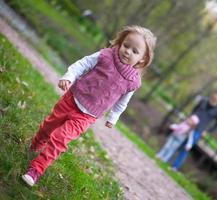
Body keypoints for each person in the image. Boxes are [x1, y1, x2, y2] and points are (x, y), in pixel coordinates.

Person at [21, 25, 157, 186]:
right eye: (126, 45)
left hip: (87, 115)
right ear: (121, 43)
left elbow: (122, 102)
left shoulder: (133, 82)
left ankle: (36, 169)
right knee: (49, 126)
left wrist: (113, 118)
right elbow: (82, 64)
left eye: (135, 51)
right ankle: (35, 145)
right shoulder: (106, 55)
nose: (128, 51)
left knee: (60, 138)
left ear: (142, 59)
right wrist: (69, 77)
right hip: (72, 99)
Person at [172, 90, 217, 170]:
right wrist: (190, 118)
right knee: (177, 141)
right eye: (216, 94)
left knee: (186, 147)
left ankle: (175, 166)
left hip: (198, 131)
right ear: (213, 94)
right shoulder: (203, 101)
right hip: (189, 125)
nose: (216, 97)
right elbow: (194, 110)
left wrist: (207, 131)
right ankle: (166, 157)